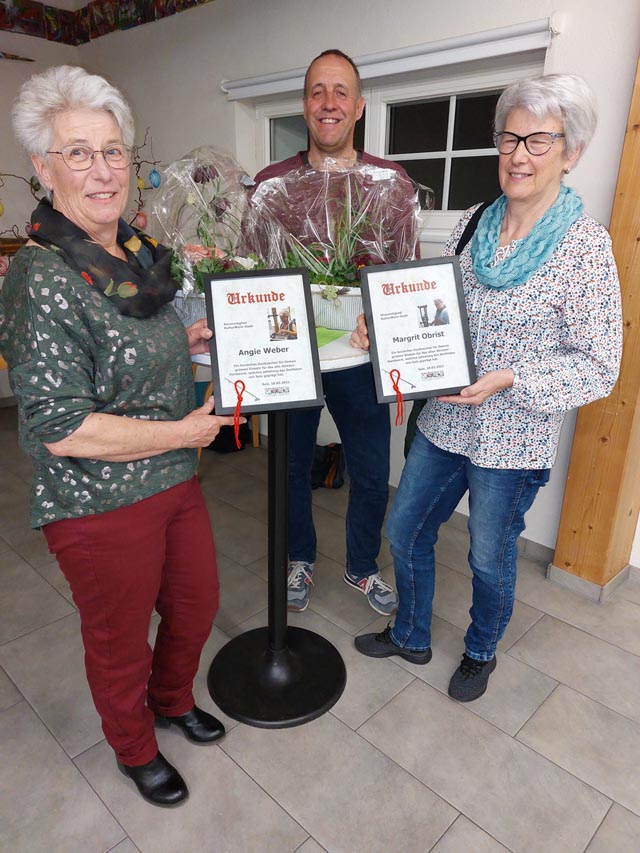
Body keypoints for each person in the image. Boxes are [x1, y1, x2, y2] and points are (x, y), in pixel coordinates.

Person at [0, 66, 243, 807]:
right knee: (118, 638)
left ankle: (171, 700)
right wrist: (184, 429)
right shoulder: (39, 277)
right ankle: (134, 747)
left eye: (113, 152)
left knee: (197, 603)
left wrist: (189, 336)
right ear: (43, 168)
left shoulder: (133, 252)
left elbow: (144, 336)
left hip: (171, 478)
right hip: (98, 501)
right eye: (78, 153)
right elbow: (61, 424)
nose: (102, 170)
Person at [353, 74, 622, 701]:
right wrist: (383, 324)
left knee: (486, 555)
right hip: (446, 420)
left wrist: (511, 378)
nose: (518, 154)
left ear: (571, 151)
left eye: (538, 140)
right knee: (406, 529)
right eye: (509, 138)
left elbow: (599, 366)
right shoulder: (474, 222)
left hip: (513, 435)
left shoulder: (585, 248)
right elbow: (432, 304)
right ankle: (412, 632)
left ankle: (480, 649)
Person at [251, 49, 419, 615]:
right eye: (318, 91)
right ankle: (299, 557)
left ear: (359, 105)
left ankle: (362, 566)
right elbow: (251, 276)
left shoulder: (390, 185)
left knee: (372, 470)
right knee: (290, 465)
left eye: (341, 91)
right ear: (304, 105)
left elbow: (405, 271)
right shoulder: (272, 187)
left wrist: (389, 319)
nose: (329, 103)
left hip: (362, 358)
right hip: (291, 354)